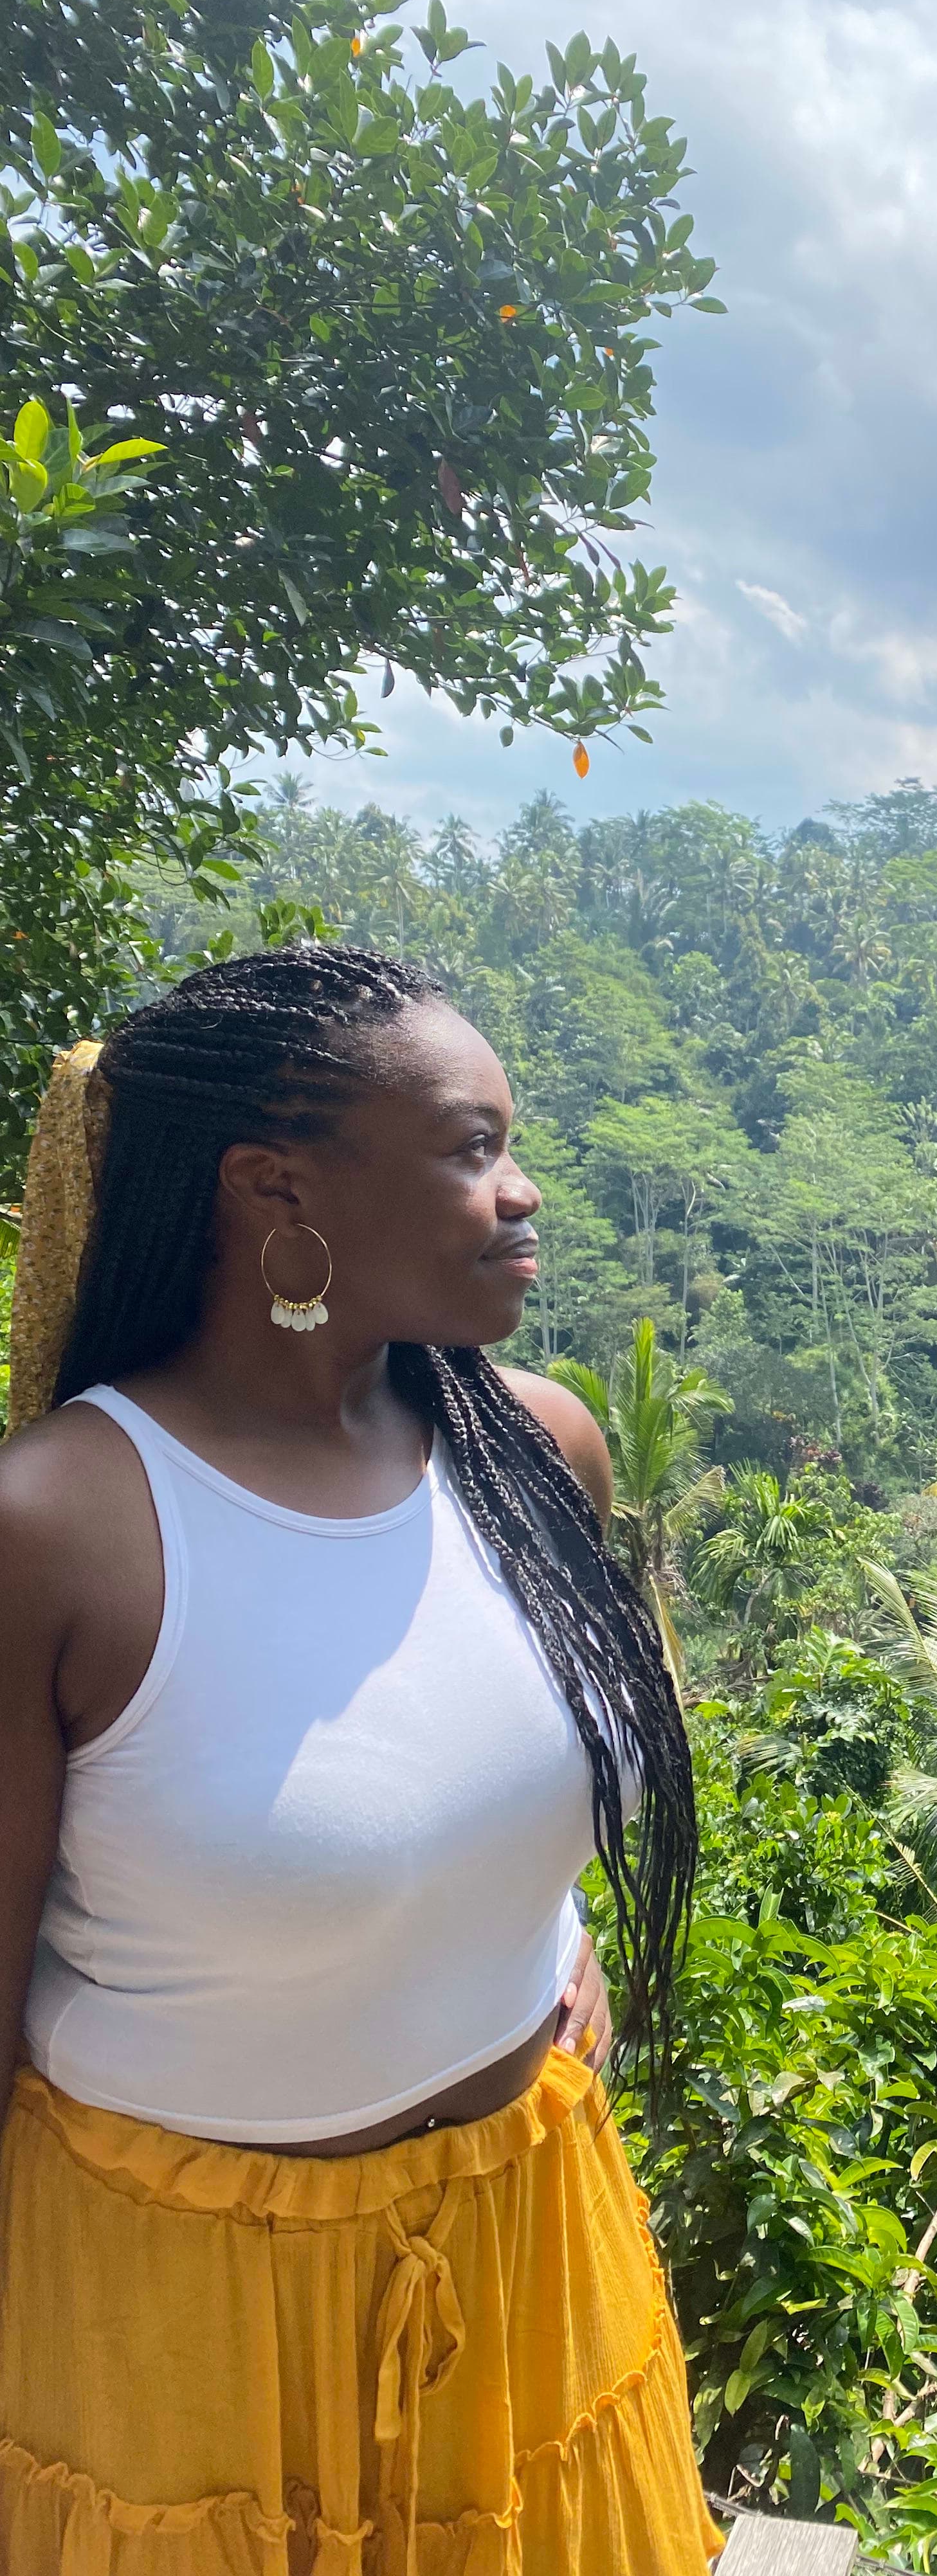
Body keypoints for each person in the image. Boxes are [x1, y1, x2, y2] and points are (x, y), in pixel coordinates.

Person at [0, 945, 723, 2572]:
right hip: (174, 2319)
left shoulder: (540, 1450)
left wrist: (546, 1945)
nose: (525, 1195)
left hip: (524, 2251)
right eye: (472, 1150)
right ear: (276, 1189)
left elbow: (485, 1776)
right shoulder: (63, 1529)